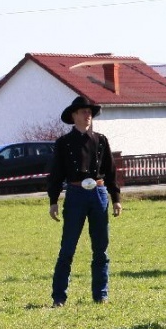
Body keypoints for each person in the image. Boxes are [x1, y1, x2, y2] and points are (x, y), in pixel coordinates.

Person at [48, 96, 122, 307]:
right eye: (82, 112)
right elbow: (55, 174)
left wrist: (116, 198)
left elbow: (111, 172)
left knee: (101, 248)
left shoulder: (101, 140)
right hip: (75, 194)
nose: (87, 115)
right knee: (68, 248)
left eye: (89, 112)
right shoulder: (63, 143)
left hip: (98, 193)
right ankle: (59, 297)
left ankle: (101, 294)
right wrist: (53, 200)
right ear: (74, 116)